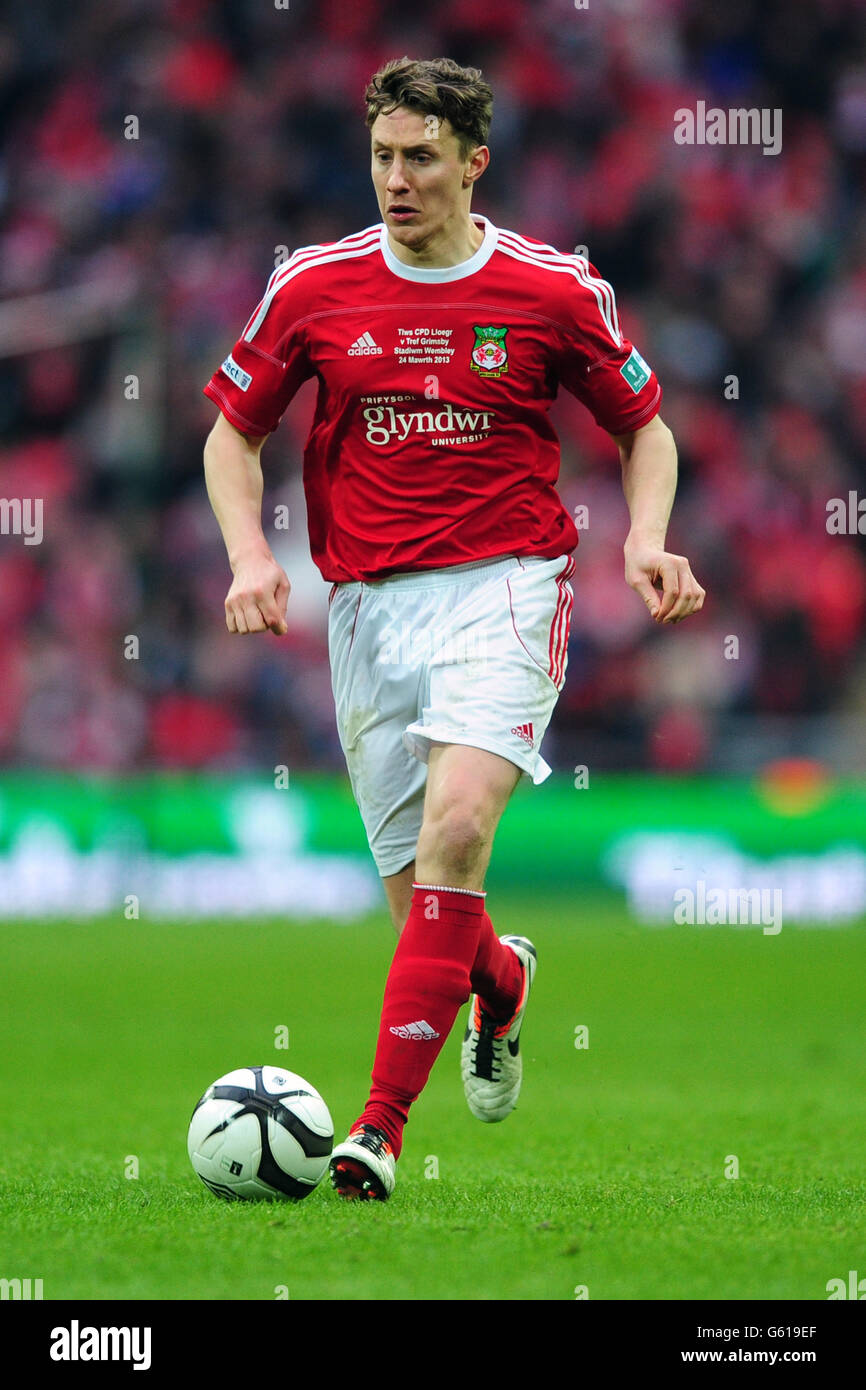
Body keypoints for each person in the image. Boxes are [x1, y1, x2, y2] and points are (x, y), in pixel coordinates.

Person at [202, 56, 705, 1201]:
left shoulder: (550, 289)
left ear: (473, 163)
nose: (395, 178)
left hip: (507, 587)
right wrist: (245, 555)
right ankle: (501, 982)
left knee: (460, 836)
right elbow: (232, 433)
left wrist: (643, 538)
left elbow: (647, 425)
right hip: (366, 609)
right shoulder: (313, 287)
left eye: (420, 156)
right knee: (423, 906)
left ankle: (375, 1129)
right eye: (381, 155)